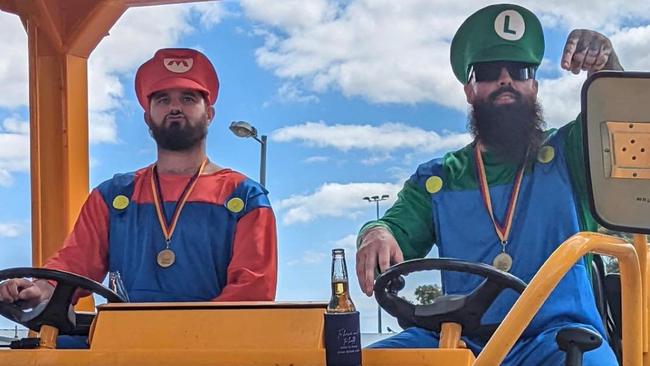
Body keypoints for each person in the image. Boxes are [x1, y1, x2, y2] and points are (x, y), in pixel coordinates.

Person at [355, 4, 622, 365]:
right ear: (469, 90)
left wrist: (610, 72)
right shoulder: (439, 178)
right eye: (487, 72)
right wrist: (376, 232)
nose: (504, 80)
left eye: (518, 69)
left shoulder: (569, 153)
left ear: (534, 85)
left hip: (557, 340)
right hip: (459, 340)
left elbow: (622, 130)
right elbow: (395, 229)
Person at [0, 48, 278, 308]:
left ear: (209, 114)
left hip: (210, 349)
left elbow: (253, 291)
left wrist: (186, 336)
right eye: (163, 99)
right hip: (122, 349)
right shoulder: (111, 196)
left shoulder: (243, 196)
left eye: (188, 98)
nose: (175, 107)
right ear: (147, 117)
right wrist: (42, 288)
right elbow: (75, 263)